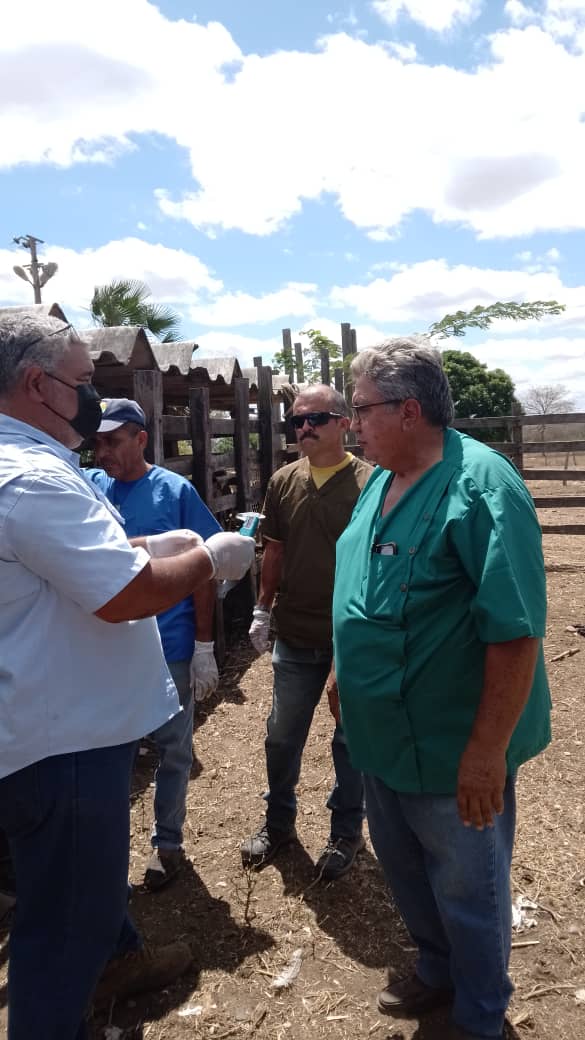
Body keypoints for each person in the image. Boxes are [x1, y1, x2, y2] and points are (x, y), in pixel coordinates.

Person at [0, 314, 255, 1040]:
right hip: (65, 746)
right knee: (60, 932)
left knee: (64, 894)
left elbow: (47, 565)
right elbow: (126, 597)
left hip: (33, 729)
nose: (91, 401)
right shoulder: (30, 478)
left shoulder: (23, 472)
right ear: (35, 384)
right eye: (82, 383)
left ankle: (118, 964)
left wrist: (143, 542)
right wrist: (210, 558)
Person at [330, 337, 552, 1040]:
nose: (350, 423)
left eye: (359, 409)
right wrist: (343, 668)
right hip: (381, 732)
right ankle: (435, 970)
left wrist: (486, 752)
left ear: (409, 409)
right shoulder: (377, 482)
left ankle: (480, 1014)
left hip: (451, 742)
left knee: (467, 887)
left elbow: (514, 633)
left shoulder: (481, 489)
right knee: (404, 870)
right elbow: (362, 587)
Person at [88, 398, 221, 890]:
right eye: (97, 442)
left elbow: (204, 566)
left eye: (113, 441)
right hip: (107, 647)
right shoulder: (90, 489)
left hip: (168, 643)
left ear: (141, 438)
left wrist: (204, 645)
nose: (102, 453)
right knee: (112, 755)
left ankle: (167, 844)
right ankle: (108, 855)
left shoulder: (174, 490)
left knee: (173, 749)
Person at [241, 385, 372, 880]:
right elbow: (273, 550)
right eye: (296, 421)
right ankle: (278, 824)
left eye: (315, 418)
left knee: (349, 740)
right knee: (281, 735)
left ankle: (346, 832)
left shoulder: (371, 483)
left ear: (344, 422)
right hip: (295, 632)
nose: (304, 429)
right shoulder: (282, 481)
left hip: (350, 637)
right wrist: (262, 608)